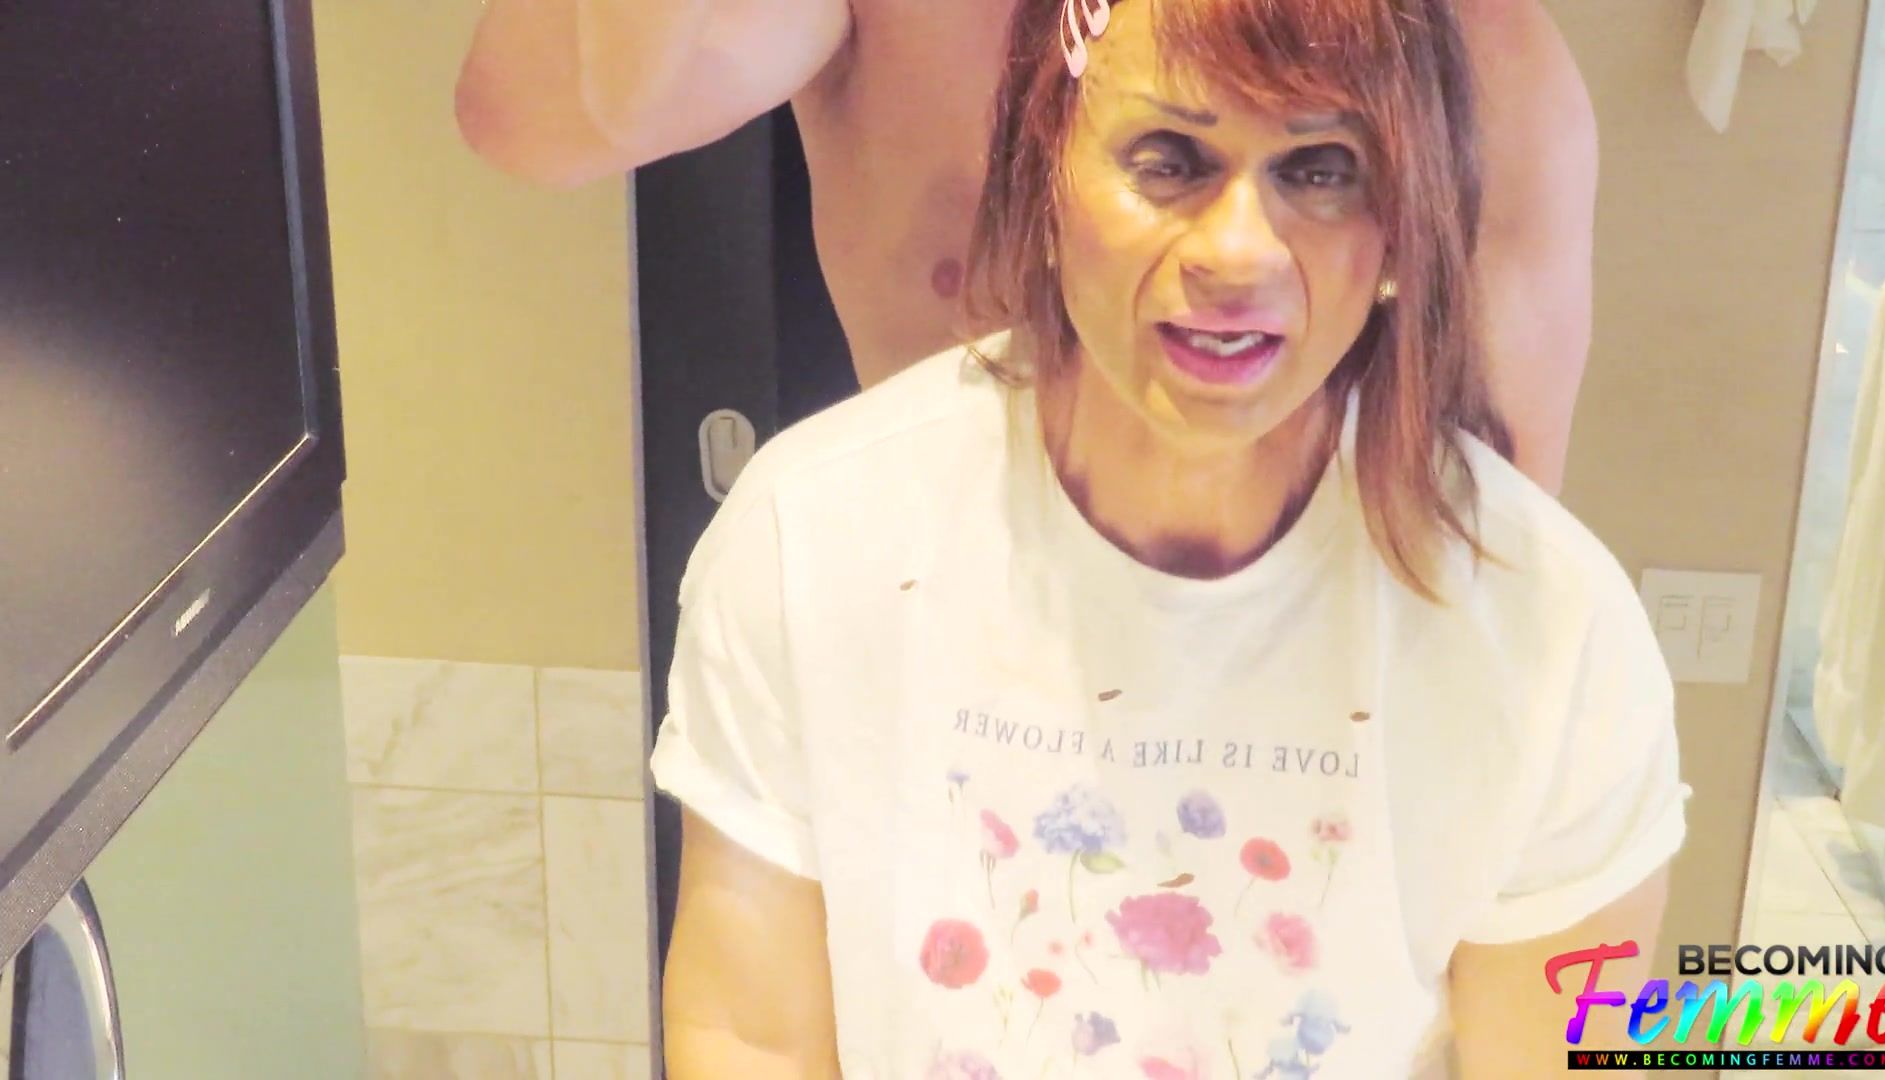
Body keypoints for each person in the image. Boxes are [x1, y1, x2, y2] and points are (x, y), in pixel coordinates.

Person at [635, 0, 1689, 1076]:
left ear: (1399, 219)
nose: (1237, 251)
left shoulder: (1553, 633)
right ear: (1048, 168)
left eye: (1321, 169)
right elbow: (750, 1035)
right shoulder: (814, 540)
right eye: (1170, 161)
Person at [454, 0, 1598, 495]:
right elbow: (537, 121)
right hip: (950, 704)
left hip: (1314, 749)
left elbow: (1497, 524)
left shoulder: (1466, 51)